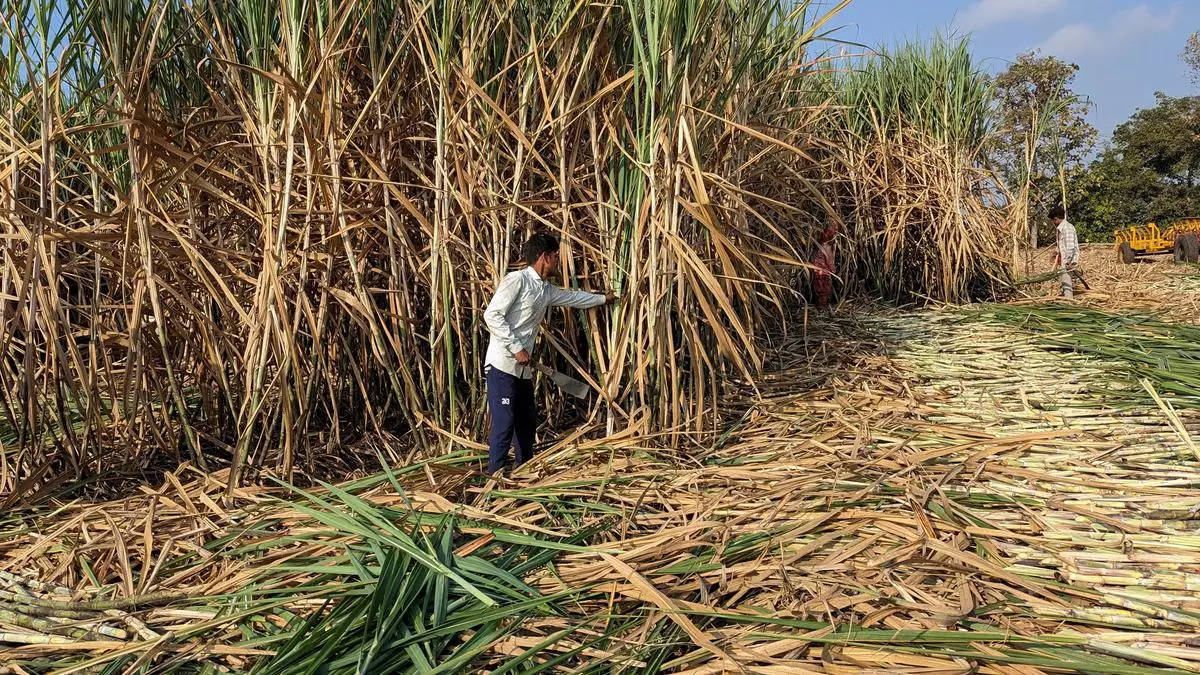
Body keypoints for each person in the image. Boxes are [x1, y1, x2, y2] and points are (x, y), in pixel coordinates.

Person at [482, 233, 616, 477]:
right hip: (502, 366)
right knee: (504, 421)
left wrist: (602, 298)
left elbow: (572, 298)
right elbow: (491, 315)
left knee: (526, 420)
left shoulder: (544, 289)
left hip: (522, 370)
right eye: (556, 256)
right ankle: (495, 477)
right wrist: (516, 347)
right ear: (545, 257)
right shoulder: (517, 281)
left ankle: (524, 471)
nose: (558, 261)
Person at [1050, 206, 1083, 298]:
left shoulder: (1067, 228)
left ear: (1056, 219)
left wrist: (1068, 262)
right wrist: (1056, 252)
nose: (1053, 223)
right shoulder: (1060, 229)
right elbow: (1061, 244)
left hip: (1068, 262)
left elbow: (1070, 247)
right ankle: (1068, 297)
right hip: (1064, 260)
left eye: (1053, 220)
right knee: (1064, 281)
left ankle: (1069, 301)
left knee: (1066, 282)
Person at [812, 224, 837, 309]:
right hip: (824, 271)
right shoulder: (826, 246)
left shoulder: (817, 245)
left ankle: (820, 305)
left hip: (817, 271)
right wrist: (832, 269)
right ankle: (822, 306)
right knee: (824, 290)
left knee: (820, 289)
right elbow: (829, 259)